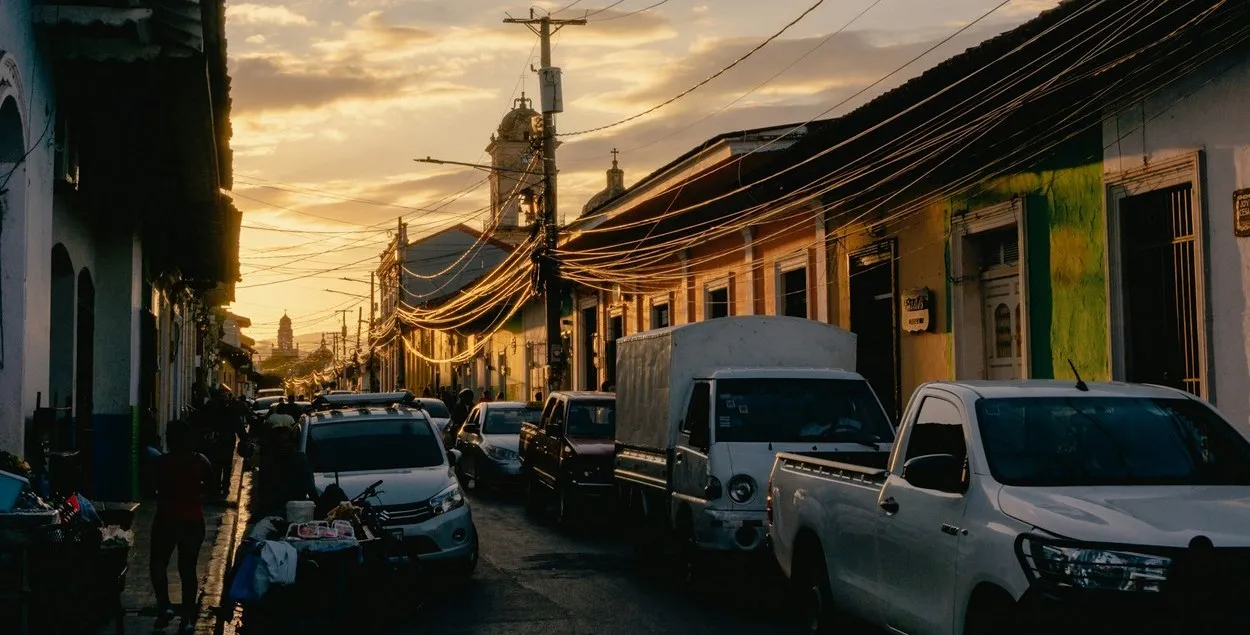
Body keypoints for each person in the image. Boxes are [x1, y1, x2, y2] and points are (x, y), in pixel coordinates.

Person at [150, 419, 214, 633]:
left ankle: (164, 606)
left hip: (166, 520)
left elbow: (152, 487)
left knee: (158, 564)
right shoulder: (201, 461)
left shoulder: (161, 463)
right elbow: (212, 487)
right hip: (193, 521)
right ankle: (187, 618)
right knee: (187, 569)